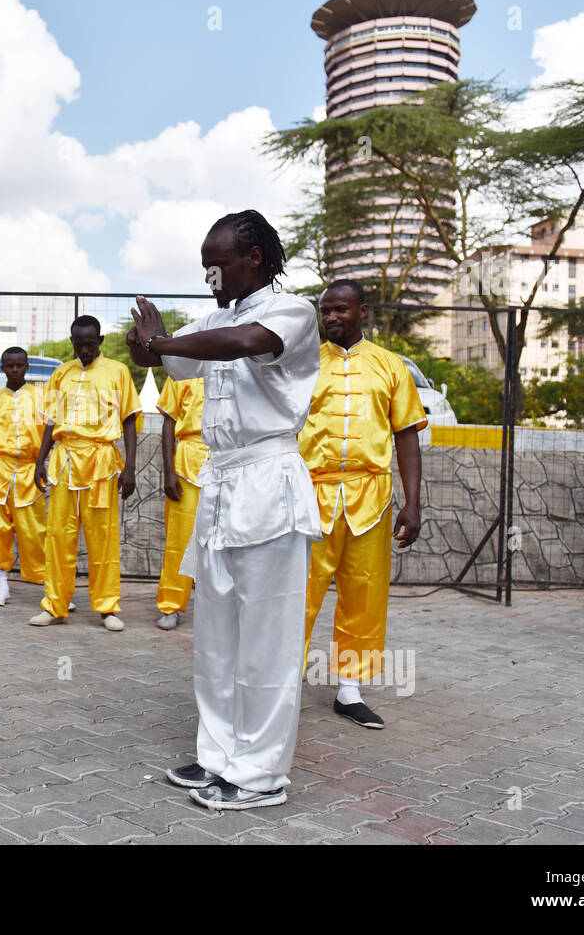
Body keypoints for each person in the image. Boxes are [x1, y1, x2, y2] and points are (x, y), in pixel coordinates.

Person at [127, 209, 320, 810]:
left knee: (267, 639)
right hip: (220, 484)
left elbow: (246, 343)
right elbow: (166, 361)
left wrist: (163, 342)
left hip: (269, 478)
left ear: (255, 258)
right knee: (216, 638)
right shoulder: (212, 319)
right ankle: (217, 757)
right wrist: (147, 344)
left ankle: (259, 776)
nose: (210, 274)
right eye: (204, 265)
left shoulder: (293, 311)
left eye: (219, 263)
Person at [300, 279, 425, 729]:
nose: (331, 318)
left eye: (340, 310)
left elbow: (406, 434)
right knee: (298, 592)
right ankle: (278, 682)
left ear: (362, 311)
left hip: (371, 496)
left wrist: (412, 502)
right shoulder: (303, 364)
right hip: (309, 494)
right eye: (325, 311)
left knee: (364, 591)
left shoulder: (391, 367)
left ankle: (349, 690)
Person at [30, 316, 140, 632]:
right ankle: (54, 605)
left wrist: (129, 467)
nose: (84, 349)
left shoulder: (118, 371)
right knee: (59, 536)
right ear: (72, 341)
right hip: (64, 461)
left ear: (101, 340)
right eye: (78, 344)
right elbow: (51, 421)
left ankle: (107, 608)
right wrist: (41, 460)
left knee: (102, 536)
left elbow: (130, 419)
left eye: (90, 344)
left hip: (101, 462)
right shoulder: (61, 373)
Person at [0, 347, 48, 606]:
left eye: (19, 365)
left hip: (30, 470)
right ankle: (1, 586)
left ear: (27, 366)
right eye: (9, 366)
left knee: (36, 531)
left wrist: (41, 463)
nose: (15, 370)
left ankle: (49, 589)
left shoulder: (41, 397)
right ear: (3, 368)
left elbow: (52, 434)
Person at [154, 376, 208, 631]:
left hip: (230, 461)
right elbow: (168, 422)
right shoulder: (183, 370)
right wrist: (169, 472)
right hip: (187, 462)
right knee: (180, 539)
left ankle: (226, 607)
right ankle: (171, 605)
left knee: (231, 541)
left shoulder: (241, 363)